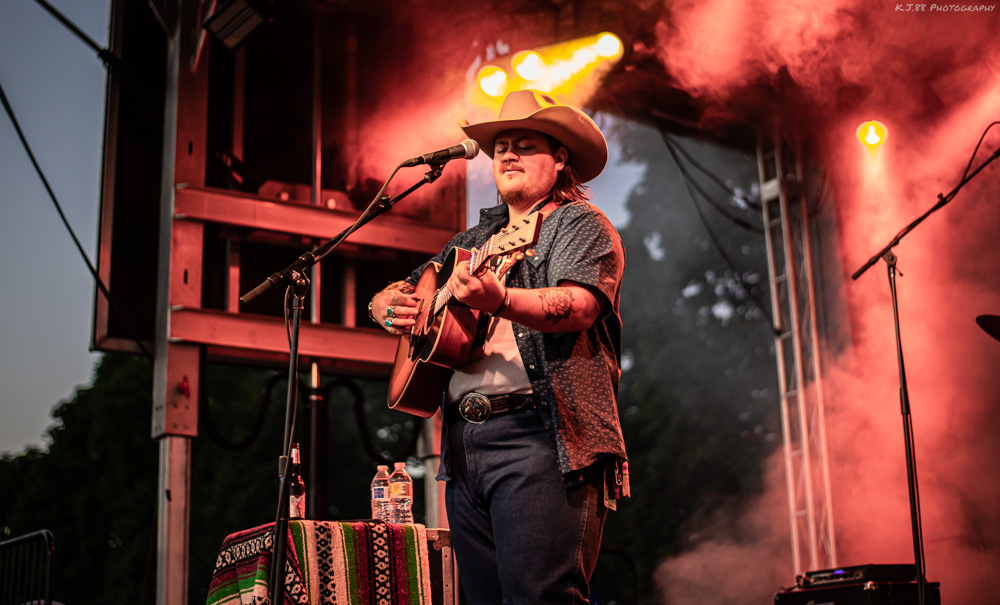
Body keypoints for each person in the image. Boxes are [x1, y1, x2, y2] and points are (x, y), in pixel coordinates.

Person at [368, 89, 628, 604]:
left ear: (559, 160)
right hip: (464, 443)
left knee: (541, 596)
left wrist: (500, 297)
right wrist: (384, 304)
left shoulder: (577, 223)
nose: (506, 153)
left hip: (545, 434)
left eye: (524, 144)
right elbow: (403, 288)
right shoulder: (473, 239)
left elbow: (579, 306)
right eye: (501, 145)